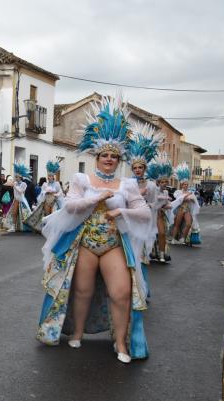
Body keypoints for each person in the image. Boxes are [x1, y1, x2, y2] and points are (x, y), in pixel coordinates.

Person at [37, 95, 151, 363]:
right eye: (104, 155)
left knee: (121, 292)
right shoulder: (82, 179)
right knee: (82, 291)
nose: (109, 159)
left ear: (118, 159)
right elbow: (70, 206)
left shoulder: (128, 185)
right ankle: (76, 332)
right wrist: (95, 198)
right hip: (85, 242)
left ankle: (121, 343)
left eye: (113, 156)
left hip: (113, 244)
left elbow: (144, 212)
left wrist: (121, 210)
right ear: (96, 157)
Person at [127, 122, 164, 296]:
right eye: (134, 168)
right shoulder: (127, 184)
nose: (137, 170)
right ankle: (129, 289)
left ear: (144, 168)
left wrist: (143, 200)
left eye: (140, 167)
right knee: (127, 256)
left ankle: (142, 291)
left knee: (141, 258)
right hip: (129, 224)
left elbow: (155, 205)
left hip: (144, 224)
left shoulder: (151, 185)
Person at [146, 153, 174, 263]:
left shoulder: (167, 191)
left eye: (166, 182)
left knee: (162, 233)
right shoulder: (154, 189)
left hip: (159, 214)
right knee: (150, 233)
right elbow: (151, 200)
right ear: (158, 182)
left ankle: (162, 254)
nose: (165, 184)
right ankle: (150, 252)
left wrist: (167, 205)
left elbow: (165, 204)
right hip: (150, 213)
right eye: (162, 182)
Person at [25, 159, 64, 233]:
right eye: (48, 176)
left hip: (54, 202)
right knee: (47, 215)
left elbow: (60, 193)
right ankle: (47, 228)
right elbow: (41, 193)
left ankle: (53, 229)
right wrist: (45, 191)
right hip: (46, 201)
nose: (49, 177)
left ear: (53, 177)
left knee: (53, 215)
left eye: (50, 176)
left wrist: (54, 193)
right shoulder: (45, 184)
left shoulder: (57, 184)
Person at [171, 163, 201, 246]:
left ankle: (183, 238)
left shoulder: (191, 192)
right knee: (177, 224)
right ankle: (173, 239)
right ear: (181, 185)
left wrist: (192, 199)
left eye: (187, 184)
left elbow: (194, 201)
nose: (186, 186)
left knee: (188, 224)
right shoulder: (178, 192)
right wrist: (187, 196)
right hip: (180, 209)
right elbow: (179, 199)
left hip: (187, 209)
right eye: (184, 184)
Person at [2, 161, 32, 232]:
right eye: (16, 176)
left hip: (22, 200)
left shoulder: (24, 184)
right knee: (14, 213)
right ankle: (13, 227)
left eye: (17, 177)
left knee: (24, 215)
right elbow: (7, 184)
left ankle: (26, 226)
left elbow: (20, 191)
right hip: (16, 199)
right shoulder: (15, 183)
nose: (16, 178)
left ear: (21, 177)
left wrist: (14, 186)